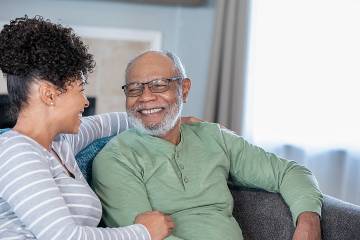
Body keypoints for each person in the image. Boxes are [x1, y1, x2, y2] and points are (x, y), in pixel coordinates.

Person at [92, 51, 323, 240]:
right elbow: (140, 237)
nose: (145, 97)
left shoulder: (213, 137)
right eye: (134, 88)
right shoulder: (115, 159)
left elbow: (289, 172)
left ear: (184, 90)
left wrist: (308, 221)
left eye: (159, 85)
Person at [0, 16, 179, 240]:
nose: (85, 101)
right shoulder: (16, 152)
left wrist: (169, 119)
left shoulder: (60, 145)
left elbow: (106, 123)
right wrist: (144, 233)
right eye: (80, 89)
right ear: (49, 94)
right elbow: (65, 237)